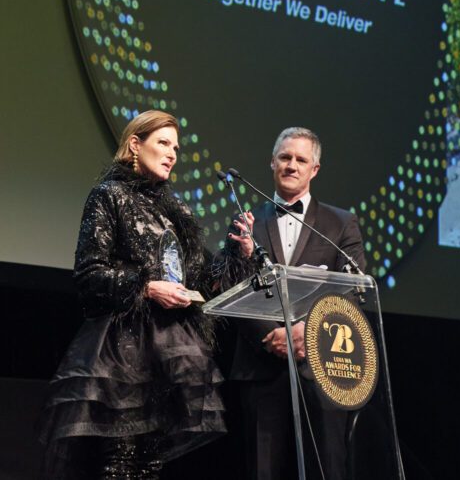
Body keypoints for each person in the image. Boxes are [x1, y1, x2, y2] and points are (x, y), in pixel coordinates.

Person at [38, 110, 225, 479]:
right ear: (136, 145)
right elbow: (89, 274)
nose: (172, 154)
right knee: (120, 463)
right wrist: (146, 287)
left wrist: (238, 253)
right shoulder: (110, 195)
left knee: (150, 465)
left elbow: (199, 280)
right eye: (163, 143)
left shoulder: (175, 211)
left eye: (176, 148)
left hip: (169, 351)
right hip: (121, 351)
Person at [218, 127, 366, 480]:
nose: (291, 165)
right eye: (285, 157)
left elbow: (352, 292)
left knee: (326, 469)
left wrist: (307, 332)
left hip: (322, 368)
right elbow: (231, 286)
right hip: (262, 366)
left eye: (301, 159)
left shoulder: (341, 223)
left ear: (315, 169)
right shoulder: (246, 222)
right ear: (272, 162)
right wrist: (271, 337)